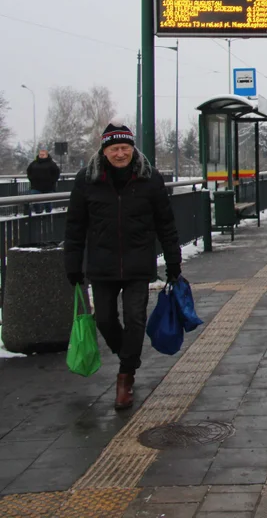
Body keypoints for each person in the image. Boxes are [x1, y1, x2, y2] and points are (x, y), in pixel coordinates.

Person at [64, 124, 182, 410]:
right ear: (104, 151)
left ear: (133, 148)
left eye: (125, 148)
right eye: (114, 149)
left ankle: (125, 377)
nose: (120, 153)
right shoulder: (87, 180)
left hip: (138, 262)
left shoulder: (149, 178)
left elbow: (165, 223)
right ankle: (127, 355)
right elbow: (75, 226)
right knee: (104, 319)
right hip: (101, 264)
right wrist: (72, 264)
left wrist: (173, 260)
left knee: (135, 318)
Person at [26, 148, 60, 214]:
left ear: (46, 155)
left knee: (47, 203)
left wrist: (52, 181)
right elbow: (28, 171)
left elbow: (56, 173)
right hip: (36, 186)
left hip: (48, 187)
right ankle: (38, 214)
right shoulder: (34, 163)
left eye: (43, 155)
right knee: (35, 201)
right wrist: (31, 179)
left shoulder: (51, 164)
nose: (41, 156)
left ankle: (48, 215)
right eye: (40, 154)